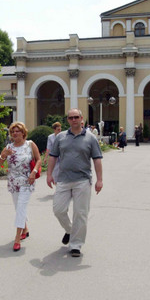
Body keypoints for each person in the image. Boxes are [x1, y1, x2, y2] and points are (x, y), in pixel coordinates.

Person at [47, 108, 103, 258]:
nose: (74, 120)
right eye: (71, 118)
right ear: (68, 120)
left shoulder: (90, 138)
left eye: (76, 117)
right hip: (63, 179)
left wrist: (100, 180)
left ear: (81, 118)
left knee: (81, 213)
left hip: (82, 180)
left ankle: (76, 245)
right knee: (58, 209)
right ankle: (71, 230)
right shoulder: (61, 137)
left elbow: (97, 159)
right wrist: (49, 174)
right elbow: (53, 156)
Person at [0, 122, 41, 252]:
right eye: (13, 131)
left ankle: (17, 238)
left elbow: (38, 159)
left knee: (21, 206)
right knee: (18, 207)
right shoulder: (8, 147)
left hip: (27, 180)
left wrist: (34, 171)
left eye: (18, 131)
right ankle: (25, 229)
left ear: (23, 133)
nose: (15, 133)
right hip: (13, 181)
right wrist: (3, 155)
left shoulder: (30, 145)